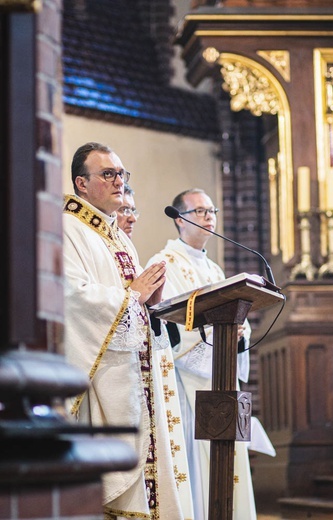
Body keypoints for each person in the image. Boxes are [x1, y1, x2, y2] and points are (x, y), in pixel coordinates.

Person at [63, 142, 186, 520]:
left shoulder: (116, 236)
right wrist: (131, 297)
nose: (119, 181)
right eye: (108, 174)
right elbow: (71, 298)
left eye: (122, 174)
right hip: (100, 384)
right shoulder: (67, 227)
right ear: (82, 184)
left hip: (134, 383)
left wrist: (147, 302)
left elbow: (132, 302)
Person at [146, 188, 259, 520]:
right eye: (200, 211)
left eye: (212, 211)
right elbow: (166, 327)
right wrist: (215, 332)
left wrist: (237, 334)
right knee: (197, 468)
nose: (209, 217)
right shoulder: (163, 263)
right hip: (186, 389)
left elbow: (239, 322)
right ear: (179, 220)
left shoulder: (214, 270)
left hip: (219, 383)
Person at [116, 184, 195, 519]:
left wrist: (155, 305)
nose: (131, 218)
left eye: (134, 210)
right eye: (124, 210)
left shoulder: (131, 257)